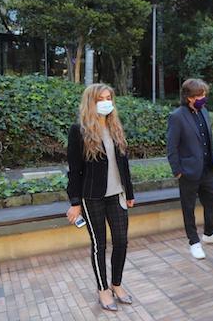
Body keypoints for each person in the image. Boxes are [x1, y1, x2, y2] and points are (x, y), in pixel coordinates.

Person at [65, 84, 135, 312]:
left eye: (108, 98)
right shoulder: (79, 130)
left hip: (117, 195)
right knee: (99, 245)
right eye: (100, 99)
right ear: (90, 103)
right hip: (91, 196)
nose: (106, 102)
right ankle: (103, 289)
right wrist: (75, 202)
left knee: (122, 241)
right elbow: (74, 169)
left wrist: (130, 193)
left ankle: (117, 284)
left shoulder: (115, 127)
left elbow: (124, 164)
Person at [166, 79, 213, 260]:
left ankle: (209, 233)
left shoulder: (205, 112)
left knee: (211, 201)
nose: (203, 99)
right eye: (199, 96)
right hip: (188, 171)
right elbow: (172, 147)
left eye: (204, 95)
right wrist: (177, 170)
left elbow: (209, 139)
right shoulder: (177, 116)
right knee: (189, 207)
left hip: (207, 169)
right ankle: (194, 241)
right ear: (189, 97)